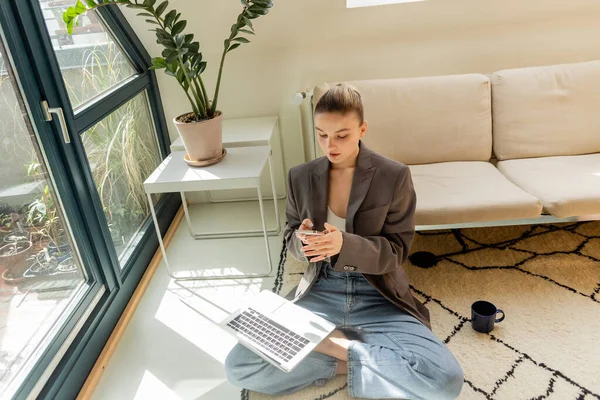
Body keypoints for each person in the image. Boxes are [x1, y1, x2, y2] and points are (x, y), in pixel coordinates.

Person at [225, 83, 464, 399]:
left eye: (342, 135)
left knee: (445, 380)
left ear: (362, 129)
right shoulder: (300, 176)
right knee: (239, 366)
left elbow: (397, 251)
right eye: (321, 134)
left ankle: (332, 346)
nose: (329, 144)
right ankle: (363, 359)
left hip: (379, 295)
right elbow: (290, 235)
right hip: (322, 291)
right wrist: (303, 240)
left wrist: (344, 245)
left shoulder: (394, 175)